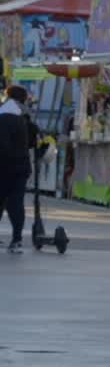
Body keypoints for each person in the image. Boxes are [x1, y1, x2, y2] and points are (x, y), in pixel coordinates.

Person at [0, 85, 32, 254]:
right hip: (21, 166)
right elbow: (34, 138)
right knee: (16, 203)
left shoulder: (2, 114)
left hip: (4, 167)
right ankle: (17, 239)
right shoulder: (25, 115)